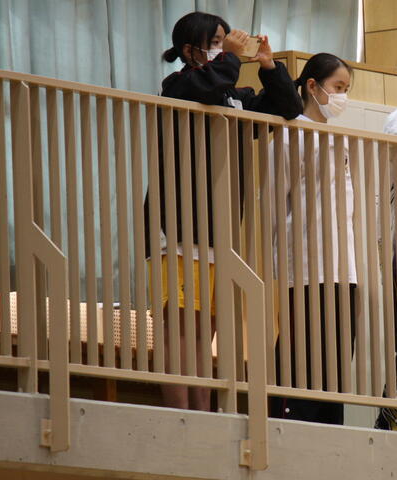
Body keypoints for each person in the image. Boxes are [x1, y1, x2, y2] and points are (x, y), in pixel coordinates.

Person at [146, 11, 302, 411]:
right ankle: (179, 413)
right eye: (215, 42)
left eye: (224, 41)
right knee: (181, 326)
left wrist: (268, 67)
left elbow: (288, 107)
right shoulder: (178, 84)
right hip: (177, 225)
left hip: (220, 228)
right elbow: (207, 83)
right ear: (189, 50)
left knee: (206, 329)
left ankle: (202, 413)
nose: (223, 48)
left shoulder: (235, 96)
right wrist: (231, 57)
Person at [270, 53, 356, 424]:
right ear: (312, 85)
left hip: (343, 264)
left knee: (336, 359)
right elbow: (273, 201)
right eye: (338, 87)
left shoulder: (340, 138)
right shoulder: (291, 133)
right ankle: (285, 424)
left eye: (346, 89)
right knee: (302, 351)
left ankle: (330, 432)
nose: (342, 96)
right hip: (306, 260)